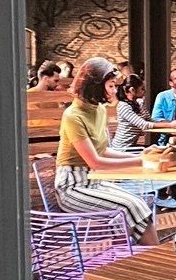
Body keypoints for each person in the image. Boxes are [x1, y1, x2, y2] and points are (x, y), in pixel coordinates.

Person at [51, 57, 157, 244]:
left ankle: (150, 256)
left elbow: (103, 150)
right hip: (72, 187)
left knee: (138, 205)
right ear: (95, 86)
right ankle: (133, 256)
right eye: (111, 86)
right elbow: (95, 161)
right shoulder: (73, 116)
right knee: (129, 207)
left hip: (94, 181)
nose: (115, 91)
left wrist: (141, 156)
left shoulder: (99, 109)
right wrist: (141, 161)